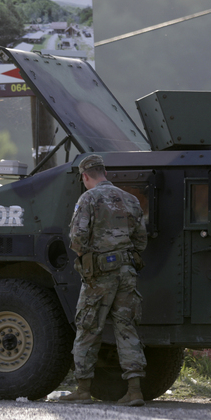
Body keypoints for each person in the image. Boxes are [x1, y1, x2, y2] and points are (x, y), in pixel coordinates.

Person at [61, 154, 148, 406]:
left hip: (99, 276)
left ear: (85, 176)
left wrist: (90, 257)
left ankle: (83, 389)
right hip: (127, 272)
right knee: (127, 328)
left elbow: (77, 239)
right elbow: (141, 241)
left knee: (88, 326)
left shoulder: (88, 198)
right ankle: (134, 391)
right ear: (105, 173)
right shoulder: (131, 199)